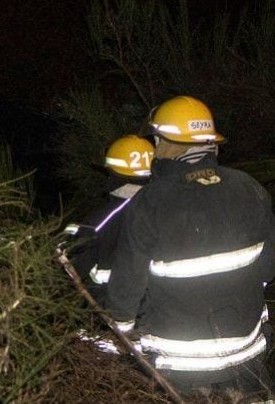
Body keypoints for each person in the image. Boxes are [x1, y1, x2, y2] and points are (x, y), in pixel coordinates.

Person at [104, 95, 275, 396]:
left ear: (170, 144)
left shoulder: (149, 202)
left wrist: (120, 326)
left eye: (157, 140)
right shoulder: (250, 187)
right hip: (247, 351)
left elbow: (127, 285)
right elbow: (268, 267)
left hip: (180, 363)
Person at [62, 134, 154, 304]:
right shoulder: (168, 207)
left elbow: (67, 272)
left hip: (110, 314)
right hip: (163, 312)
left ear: (112, 174)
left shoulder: (104, 219)